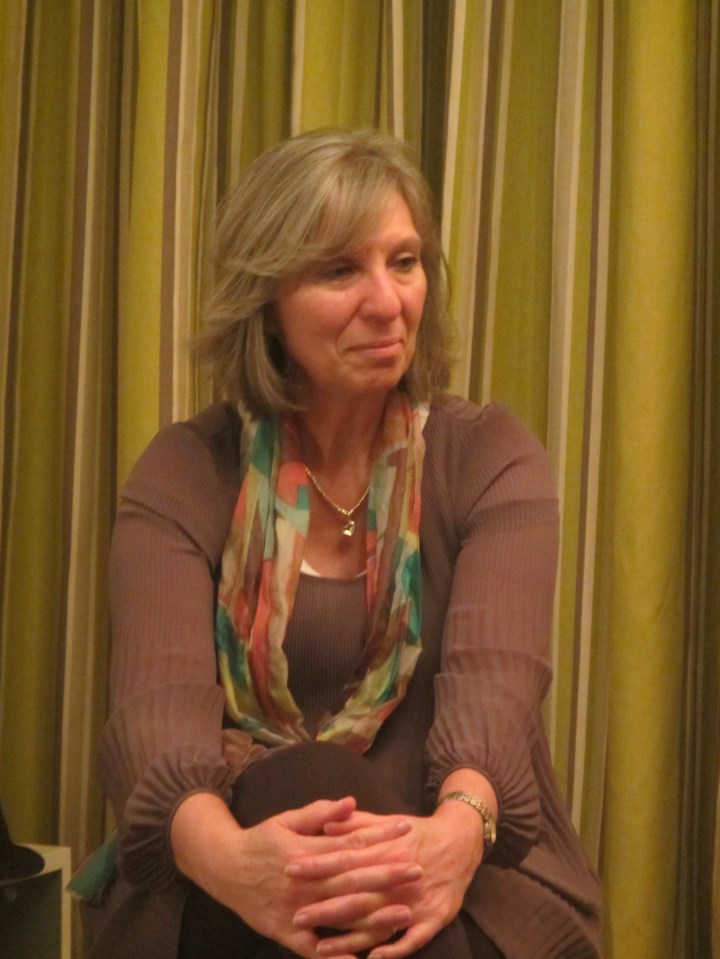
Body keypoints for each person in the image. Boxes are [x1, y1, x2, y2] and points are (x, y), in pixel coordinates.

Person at [81, 129, 602, 959]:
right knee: (302, 787)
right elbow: (158, 726)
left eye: (404, 261)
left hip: (467, 869)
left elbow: (495, 698)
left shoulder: (489, 458)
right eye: (339, 270)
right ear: (266, 300)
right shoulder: (186, 472)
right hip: (226, 871)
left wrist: (448, 840)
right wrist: (242, 866)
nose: (388, 302)